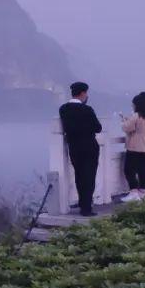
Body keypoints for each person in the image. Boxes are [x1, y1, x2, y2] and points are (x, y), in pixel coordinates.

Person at [59, 81, 102, 216]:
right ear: (83, 93)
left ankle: (82, 202)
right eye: (86, 93)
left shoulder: (63, 109)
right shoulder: (87, 110)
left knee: (79, 175)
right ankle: (86, 207)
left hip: (74, 147)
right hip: (89, 146)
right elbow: (98, 127)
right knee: (89, 176)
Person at [121, 94, 145, 200]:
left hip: (135, 147)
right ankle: (143, 192)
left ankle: (133, 192)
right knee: (143, 170)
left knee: (129, 170)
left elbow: (127, 128)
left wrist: (124, 121)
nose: (133, 106)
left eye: (133, 105)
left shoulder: (136, 115)